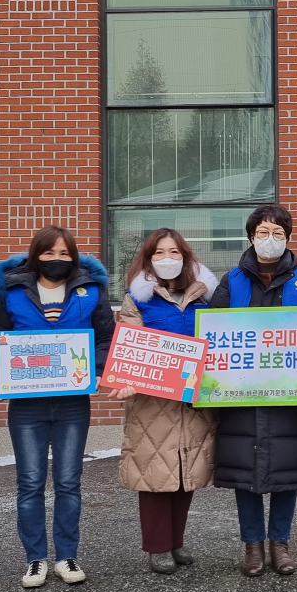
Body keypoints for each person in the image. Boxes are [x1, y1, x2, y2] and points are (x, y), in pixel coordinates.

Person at [0, 226, 113, 589]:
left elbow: (105, 336)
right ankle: (34, 559)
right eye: (48, 253)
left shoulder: (90, 290)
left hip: (74, 403)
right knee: (29, 483)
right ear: (34, 255)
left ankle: (66, 555)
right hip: (26, 405)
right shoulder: (10, 290)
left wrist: (100, 369)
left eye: (63, 254)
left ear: (73, 257)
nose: (56, 260)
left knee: (69, 482)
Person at [208, 205, 297, 577]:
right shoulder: (231, 281)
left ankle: (280, 543)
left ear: (288, 238)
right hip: (240, 396)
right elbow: (211, 335)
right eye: (263, 232)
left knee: (286, 468)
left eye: (278, 233)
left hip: (289, 395)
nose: (270, 239)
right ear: (250, 236)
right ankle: (252, 546)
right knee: (244, 471)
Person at [110, 228, 220, 574]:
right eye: (159, 253)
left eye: (175, 252)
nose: (168, 258)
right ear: (148, 259)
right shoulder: (136, 300)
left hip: (194, 401)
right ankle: (157, 546)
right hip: (152, 403)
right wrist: (127, 379)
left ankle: (176, 541)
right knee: (155, 473)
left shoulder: (206, 298)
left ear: (186, 258)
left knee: (186, 472)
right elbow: (129, 345)